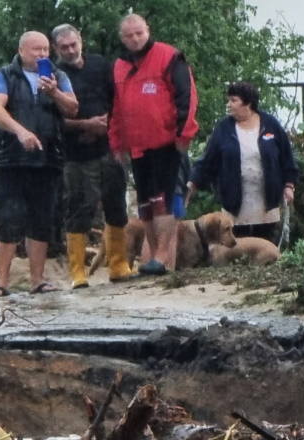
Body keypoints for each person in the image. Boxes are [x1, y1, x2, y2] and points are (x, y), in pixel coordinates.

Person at [0, 31, 79, 297]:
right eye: (36, 50)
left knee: (42, 219)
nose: (42, 55)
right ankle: (1, 281)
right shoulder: (4, 76)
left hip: (48, 158)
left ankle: (37, 280)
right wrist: (20, 132)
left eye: (46, 50)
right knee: (10, 218)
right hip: (12, 159)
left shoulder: (58, 77)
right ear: (22, 50)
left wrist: (55, 92)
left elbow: (73, 108)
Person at [108, 13, 198, 276]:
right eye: (129, 35)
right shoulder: (120, 66)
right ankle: (154, 256)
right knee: (146, 204)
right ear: (122, 39)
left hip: (166, 143)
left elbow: (187, 97)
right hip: (136, 146)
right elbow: (117, 108)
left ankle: (161, 255)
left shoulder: (169, 57)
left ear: (148, 30)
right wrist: (117, 144)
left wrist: (184, 134)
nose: (135, 39)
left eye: (139, 33)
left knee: (164, 201)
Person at [52, 24, 132, 288]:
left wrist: (104, 125)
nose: (71, 50)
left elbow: (117, 100)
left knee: (116, 204)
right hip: (76, 155)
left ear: (81, 41)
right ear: (56, 49)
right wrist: (86, 126)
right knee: (80, 208)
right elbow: (52, 122)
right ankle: (77, 271)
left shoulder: (99, 64)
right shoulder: (53, 75)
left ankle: (119, 265)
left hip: (109, 147)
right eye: (64, 47)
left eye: (74, 44)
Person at [186, 81, 299, 244]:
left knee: (265, 248)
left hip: (266, 202)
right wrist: (191, 185)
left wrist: (289, 185)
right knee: (238, 249)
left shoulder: (270, 125)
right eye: (229, 100)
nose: (229, 104)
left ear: (248, 102)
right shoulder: (223, 128)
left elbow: (286, 157)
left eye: (233, 100)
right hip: (235, 203)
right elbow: (207, 163)